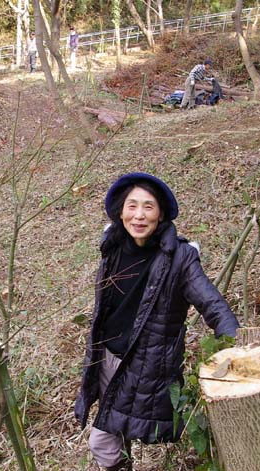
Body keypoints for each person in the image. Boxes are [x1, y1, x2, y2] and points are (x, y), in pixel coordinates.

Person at [74, 173, 240, 471]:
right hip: (104, 357)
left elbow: (211, 302)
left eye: (148, 207)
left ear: (160, 213)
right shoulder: (112, 247)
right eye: (132, 206)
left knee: (102, 441)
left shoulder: (180, 258)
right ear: (120, 211)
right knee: (114, 431)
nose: (139, 215)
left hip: (141, 365)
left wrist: (235, 342)